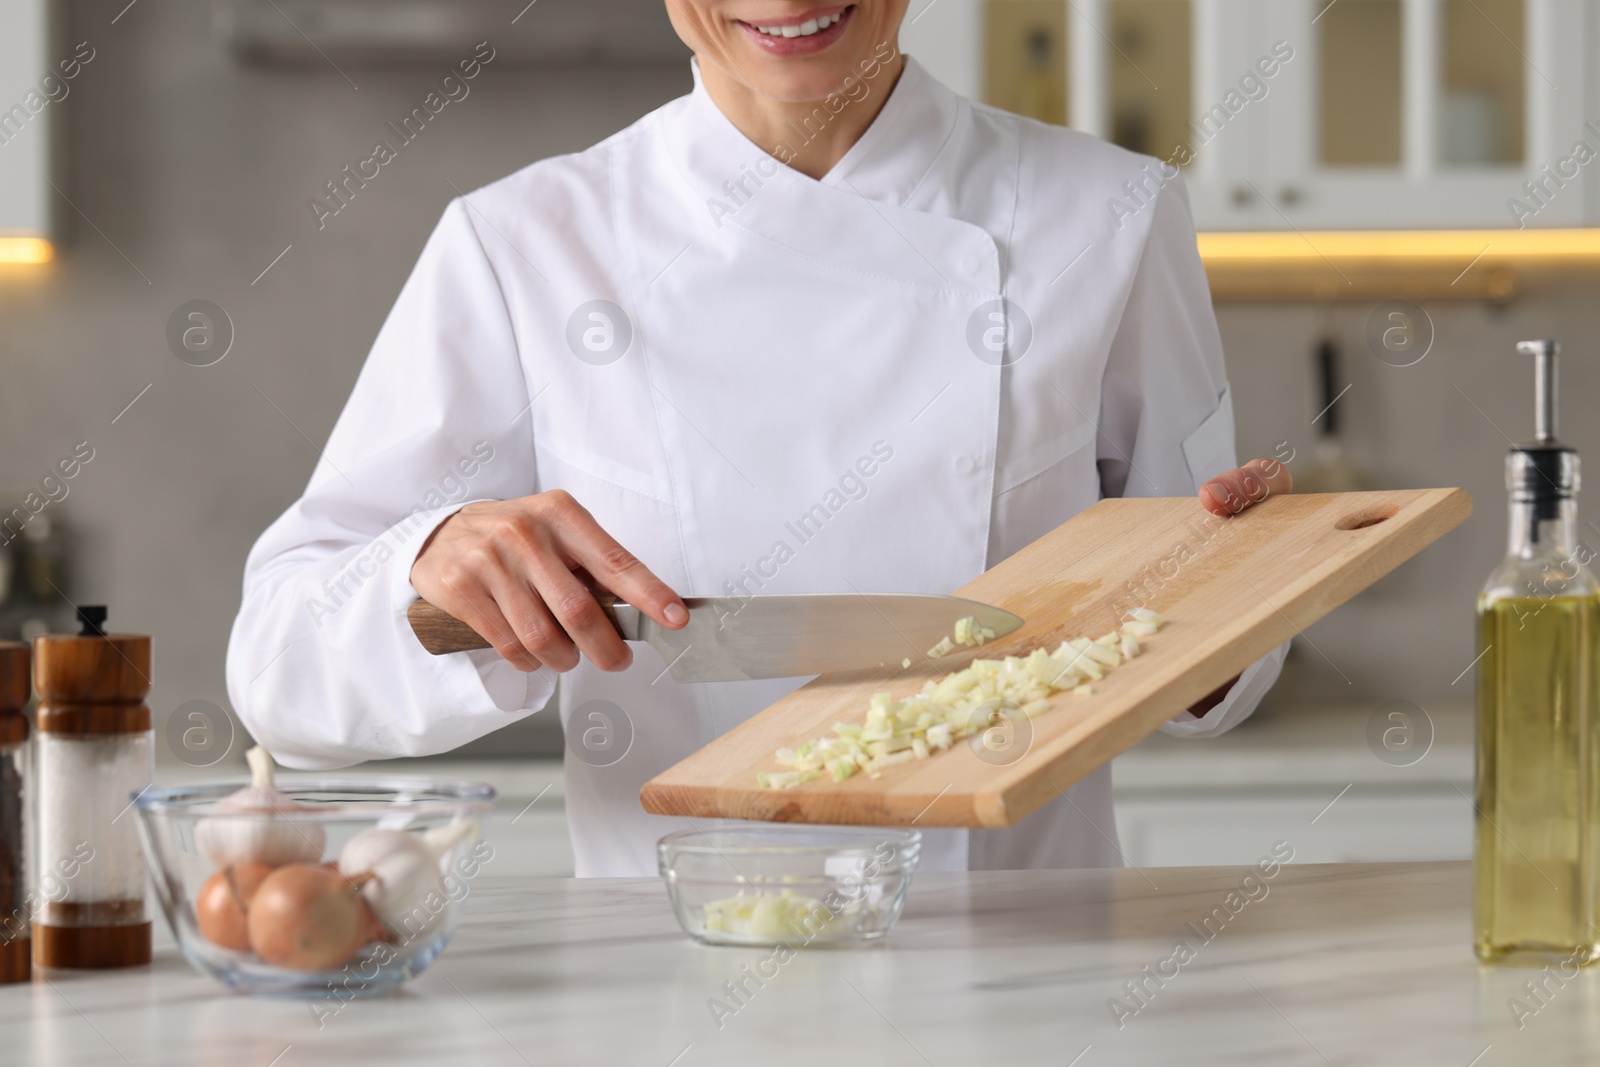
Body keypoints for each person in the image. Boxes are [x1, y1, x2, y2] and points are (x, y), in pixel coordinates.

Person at [227, 1, 1292, 877]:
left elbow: (1214, 649)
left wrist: (1230, 601)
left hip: (1025, 972)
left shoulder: (1109, 212)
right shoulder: (524, 244)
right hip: (674, 977)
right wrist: (432, 563)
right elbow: (279, 667)